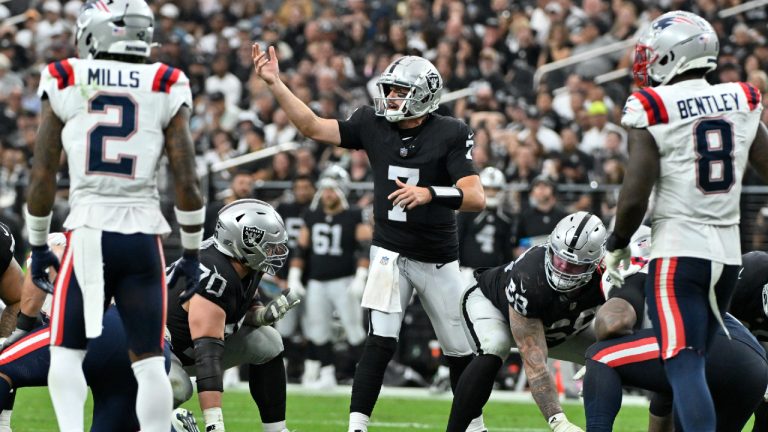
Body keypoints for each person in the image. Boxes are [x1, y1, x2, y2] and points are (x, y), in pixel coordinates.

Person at [252, 48, 485, 432]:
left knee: (460, 351)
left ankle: (474, 426)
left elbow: (476, 197)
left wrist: (431, 193)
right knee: (380, 340)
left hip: (438, 258)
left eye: (399, 91)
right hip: (389, 253)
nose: (390, 98)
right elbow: (312, 126)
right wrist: (276, 84)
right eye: (389, 90)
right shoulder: (372, 123)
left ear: (424, 94)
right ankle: (357, 426)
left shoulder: (451, 132)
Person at [25, 2, 205, 431]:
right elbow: (187, 180)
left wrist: (36, 243)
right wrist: (194, 251)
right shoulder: (167, 81)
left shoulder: (66, 75)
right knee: (148, 362)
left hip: (89, 232)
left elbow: (43, 170)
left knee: (67, 352)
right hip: (143, 236)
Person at [604, 10, 768, 431]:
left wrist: (618, 241)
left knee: (684, 367)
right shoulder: (741, 97)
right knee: (697, 362)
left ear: (672, 56)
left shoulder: (652, 105)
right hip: (727, 257)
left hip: (678, 253)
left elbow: (635, 193)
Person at [448, 212, 610, 432]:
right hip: (492, 307)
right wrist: (558, 421)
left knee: (615, 359)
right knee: (495, 345)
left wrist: (605, 357)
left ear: (595, 264)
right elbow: (535, 362)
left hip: (556, 330)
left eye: (573, 266)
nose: (562, 269)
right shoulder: (530, 276)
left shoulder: (610, 274)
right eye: (559, 259)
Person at [584, 249, 768, 432]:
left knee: (600, 355)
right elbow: (665, 395)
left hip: (713, 342)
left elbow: (612, 325)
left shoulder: (636, 276)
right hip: (756, 369)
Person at [165, 199, 298, 432]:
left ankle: (276, 429)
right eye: (268, 245)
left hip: (185, 349)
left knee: (268, 341)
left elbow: (239, 302)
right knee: (179, 388)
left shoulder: (242, 262)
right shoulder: (213, 277)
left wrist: (260, 315)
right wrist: (215, 424)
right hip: (153, 351)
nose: (274, 251)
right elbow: (207, 356)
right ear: (242, 241)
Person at [289, 167, 371, 389]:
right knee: (318, 330)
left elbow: (365, 247)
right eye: (325, 190)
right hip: (317, 281)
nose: (328, 194)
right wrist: (294, 276)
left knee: (354, 330)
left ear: (341, 191)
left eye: (332, 190)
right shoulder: (312, 214)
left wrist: (361, 276)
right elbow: (301, 249)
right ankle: (327, 375)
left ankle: (368, 377)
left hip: (344, 280)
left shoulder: (354, 214)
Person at [457, 167, 514, 270]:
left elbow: (506, 251)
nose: (491, 193)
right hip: (466, 271)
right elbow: (457, 240)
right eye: (487, 188)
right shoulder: (467, 212)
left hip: (492, 274)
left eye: (495, 189)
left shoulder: (505, 219)